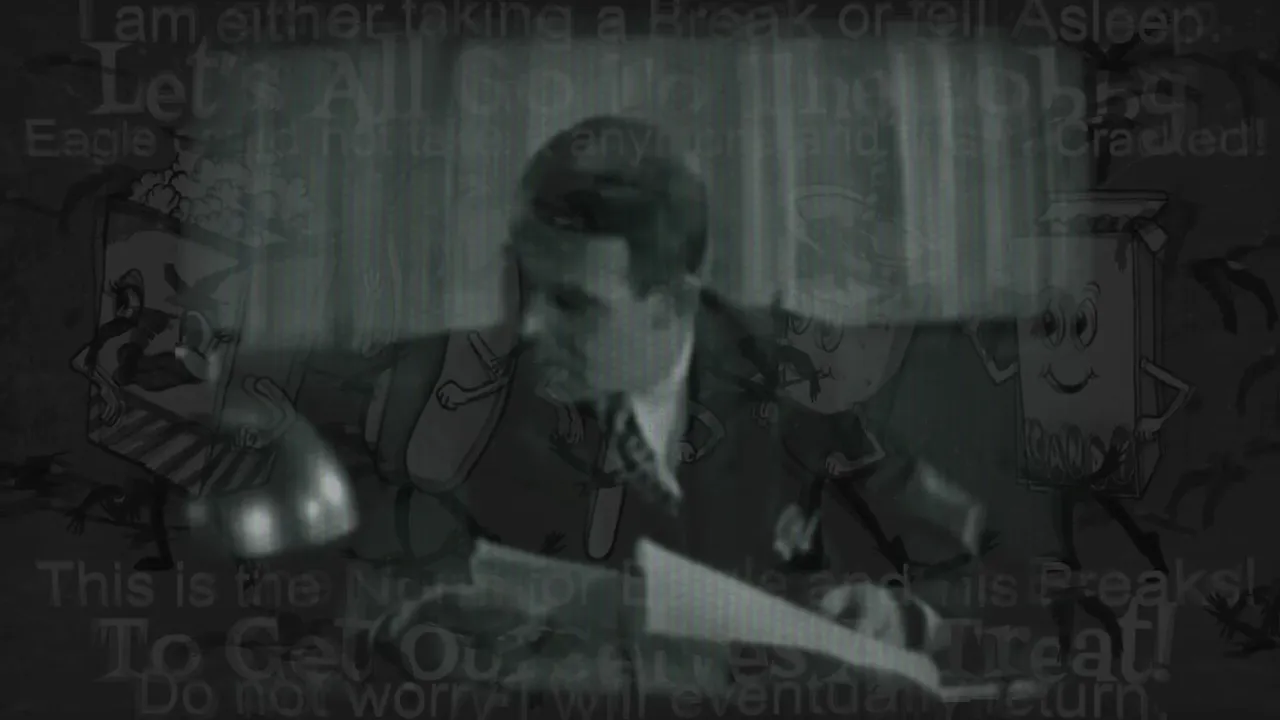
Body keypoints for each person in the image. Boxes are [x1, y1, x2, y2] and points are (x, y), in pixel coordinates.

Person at [353, 116, 952, 698]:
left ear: (671, 304)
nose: (527, 325)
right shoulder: (456, 401)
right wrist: (416, 627)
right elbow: (367, 607)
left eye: (571, 302)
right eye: (518, 282)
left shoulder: (803, 378)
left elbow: (963, 565)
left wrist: (905, 616)